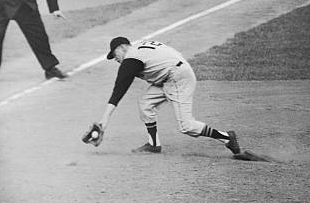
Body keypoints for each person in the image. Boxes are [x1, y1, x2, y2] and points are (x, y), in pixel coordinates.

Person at [96, 37, 241, 155]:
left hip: (177, 78)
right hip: (170, 76)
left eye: (115, 54)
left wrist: (105, 119)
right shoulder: (142, 47)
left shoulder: (131, 58)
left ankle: (227, 137)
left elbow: (120, 88)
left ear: (123, 47)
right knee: (145, 104)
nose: (115, 59)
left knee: (187, 126)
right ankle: (154, 145)